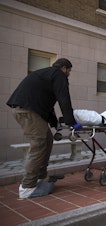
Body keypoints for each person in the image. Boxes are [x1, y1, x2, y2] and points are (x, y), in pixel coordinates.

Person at [7, 58, 82, 199]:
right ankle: (27, 187)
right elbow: (64, 99)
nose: (69, 74)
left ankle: (40, 178)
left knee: (47, 140)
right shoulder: (59, 75)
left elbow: (47, 105)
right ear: (64, 68)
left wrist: (55, 124)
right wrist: (72, 122)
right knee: (39, 145)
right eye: (69, 71)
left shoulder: (46, 74)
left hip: (27, 110)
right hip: (28, 111)